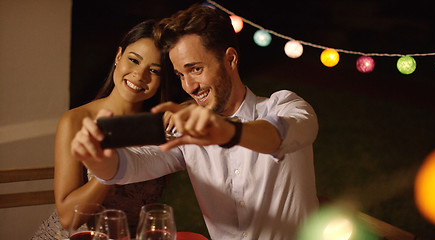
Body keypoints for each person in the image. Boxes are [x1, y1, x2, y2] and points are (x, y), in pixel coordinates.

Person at [71, 4, 319, 240]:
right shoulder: (189, 130)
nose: (189, 86)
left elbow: (279, 135)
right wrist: (99, 159)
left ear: (230, 59)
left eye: (196, 69)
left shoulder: (285, 105)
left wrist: (226, 132)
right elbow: (132, 165)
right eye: (180, 74)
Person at [31, 19, 171, 239]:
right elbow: (69, 218)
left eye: (154, 70)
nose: (139, 75)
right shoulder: (77, 121)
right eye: (133, 60)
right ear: (118, 57)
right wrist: (112, 165)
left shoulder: (161, 125)